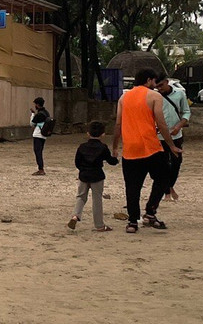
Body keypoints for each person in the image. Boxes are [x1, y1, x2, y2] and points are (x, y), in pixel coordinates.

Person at [111, 69, 179, 233]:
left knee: (132, 187)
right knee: (164, 179)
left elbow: (118, 124)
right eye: (154, 82)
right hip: (151, 147)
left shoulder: (123, 97)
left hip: (130, 149)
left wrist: (114, 146)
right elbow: (161, 124)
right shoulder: (154, 96)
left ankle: (133, 222)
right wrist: (171, 145)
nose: (155, 85)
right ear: (149, 80)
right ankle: (150, 211)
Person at [68, 121, 119, 231]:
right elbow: (111, 162)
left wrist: (83, 170)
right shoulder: (103, 147)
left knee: (81, 197)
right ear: (103, 134)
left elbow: (77, 162)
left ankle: (75, 216)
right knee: (97, 200)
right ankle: (99, 225)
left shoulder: (82, 147)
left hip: (84, 175)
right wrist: (115, 157)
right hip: (97, 175)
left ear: (88, 133)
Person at [149, 74, 190, 204]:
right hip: (158, 136)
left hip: (176, 135)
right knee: (162, 164)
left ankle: (170, 186)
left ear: (167, 82)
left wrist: (179, 126)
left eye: (161, 85)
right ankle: (166, 191)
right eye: (157, 86)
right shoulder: (154, 96)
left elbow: (186, 112)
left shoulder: (179, 94)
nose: (159, 88)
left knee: (177, 162)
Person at [29, 97, 52, 175]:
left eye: (35, 104)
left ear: (37, 105)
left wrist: (32, 114)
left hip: (38, 134)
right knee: (40, 151)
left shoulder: (39, 114)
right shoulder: (46, 113)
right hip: (44, 134)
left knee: (37, 152)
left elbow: (32, 124)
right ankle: (41, 168)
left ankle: (41, 169)